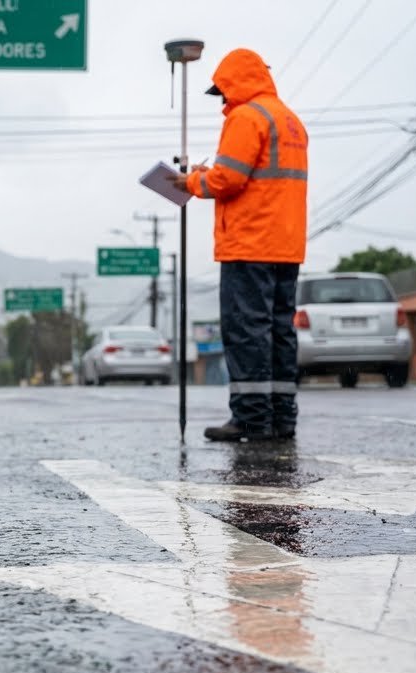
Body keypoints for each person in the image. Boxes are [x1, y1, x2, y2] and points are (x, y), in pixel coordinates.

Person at [172, 48, 308, 442]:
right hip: (285, 244)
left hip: (249, 243)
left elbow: (227, 180)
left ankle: (250, 419)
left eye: (223, 92)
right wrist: (211, 174)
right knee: (280, 332)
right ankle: (282, 419)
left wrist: (192, 182)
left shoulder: (247, 117)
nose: (223, 100)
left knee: (247, 332)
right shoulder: (290, 120)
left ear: (235, 84)